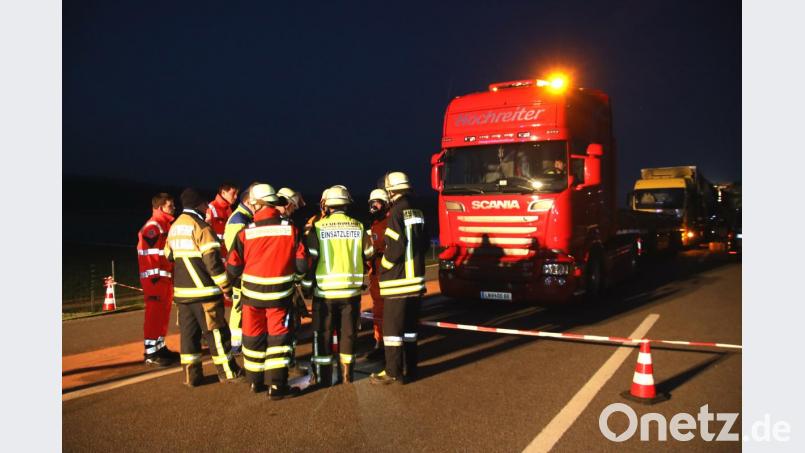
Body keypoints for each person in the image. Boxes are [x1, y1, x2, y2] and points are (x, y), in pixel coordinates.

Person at [226, 184, 308, 399]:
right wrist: (294, 280)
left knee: (252, 338)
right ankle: (278, 387)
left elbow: (233, 267)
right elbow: (302, 265)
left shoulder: (246, 233)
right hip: (280, 296)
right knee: (278, 341)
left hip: (251, 297)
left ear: (256, 204)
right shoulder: (291, 229)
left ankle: (255, 382)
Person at [165, 188, 242, 387]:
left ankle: (192, 376)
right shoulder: (202, 228)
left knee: (189, 337)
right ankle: (228, 371)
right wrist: (226, 286)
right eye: (204, 203)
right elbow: (213, 264)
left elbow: (168, 255)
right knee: (216, 333)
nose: (207, 206)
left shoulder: (174, 227)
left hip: (182, 294)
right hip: (204, 293)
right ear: (199, 204)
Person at [304, 186, 374, 386]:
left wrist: (307, 286)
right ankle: (347, 375)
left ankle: (324, 378)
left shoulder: (317, 228)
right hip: (351, 292)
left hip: (325, 293)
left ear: (328, 205)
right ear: (346, 204)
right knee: (348, 334)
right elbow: (368, 254)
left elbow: (311, 260)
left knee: (323, 335)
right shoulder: (359, 227)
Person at [370, 172, 428, 385]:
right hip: (417, 280)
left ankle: (392, 372)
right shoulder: (418, 210)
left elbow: (395, 249)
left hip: (398, 281)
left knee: (392, 331)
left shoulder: (395, 212)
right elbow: (424, 243)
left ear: (390, 191)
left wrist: (383, 268)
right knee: (411, 330)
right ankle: (410, 369)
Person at [137, 193, 179, 366]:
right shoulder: (154, 227)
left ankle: (160, 347)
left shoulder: (164, 225)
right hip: (155, 280)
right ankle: (151, 353)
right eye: (171, 205)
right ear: (161, 207)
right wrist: (155, 280)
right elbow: (150, 256)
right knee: (154, 315)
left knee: (163, 314)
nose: (174, 208)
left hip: (163, 279)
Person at [222, 183, 261, 354]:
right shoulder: (238, 221)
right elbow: (235, 252)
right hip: (240, 274)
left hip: (245, 272)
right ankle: (236, 344)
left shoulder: (244, 218)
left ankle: (241, 341)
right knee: (238, 309)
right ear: (249, 201)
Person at [365, 188, 390, 361]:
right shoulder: (374, 224)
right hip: (376, 276)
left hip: (387, 275)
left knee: (388, 313)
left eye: (377, 203)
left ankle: (388, 346)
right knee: (378, 312)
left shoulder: (390, 223)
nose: (374, 206)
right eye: (371, 203)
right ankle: (379, 343)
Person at [206, 182, 239, 247]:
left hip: (227, 249)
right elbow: (207, 232)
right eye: (233, 193)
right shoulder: (211, 207)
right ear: (223, 193)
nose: (236, 197)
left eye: (237, 194)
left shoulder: (228, 208)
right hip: (216, 250)